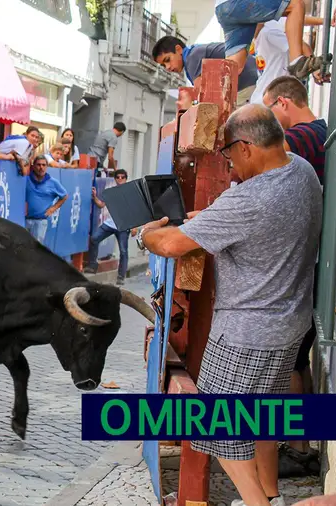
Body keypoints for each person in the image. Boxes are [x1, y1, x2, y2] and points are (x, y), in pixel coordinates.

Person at [138, 104, 322, 506]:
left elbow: (170, 245)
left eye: (228, 154)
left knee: (217, 427)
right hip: (290, 321)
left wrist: (145, 235)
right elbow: (259, 224)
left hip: (246, 330)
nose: (229, 163)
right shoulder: (302, 170)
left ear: (246, 146)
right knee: (261, 420)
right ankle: (269, 496)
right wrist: (212, 218)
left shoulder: (252, 198)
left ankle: (257, 504)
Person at [262, 75, 326, 475]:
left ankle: (299, 449)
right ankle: (302, 444)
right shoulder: (323, 134)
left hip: (308, 263)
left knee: (291, 362)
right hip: (317, 261)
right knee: (298, 360)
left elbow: (269, 161)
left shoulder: (302, 138)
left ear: (284, 103)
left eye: (269, 111)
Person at [215, 0, 325, 81]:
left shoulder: (266, 25)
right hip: (237, 4)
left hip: (222, 8)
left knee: (235, 66)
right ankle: (297, 62)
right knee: (296, 5)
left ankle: (215, 94)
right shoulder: (269, 30)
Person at [152, 36, 260, 106]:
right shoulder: (194, 53)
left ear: (178, 49)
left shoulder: (191, 57)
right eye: (163, 65)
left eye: (167, 60)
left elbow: (202, 96)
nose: (167, 67)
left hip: (246, 85)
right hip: (253, 78)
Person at [251, 18, 330, 106]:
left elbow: (301, 46)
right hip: (264, 97)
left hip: (274, 99)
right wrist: (327, 20)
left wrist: (315, 69)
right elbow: (298, 20)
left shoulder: (268, 33)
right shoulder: (259, 34)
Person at [84, 169, 135, 286]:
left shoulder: (130, 193)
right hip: (110, 223)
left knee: (123, 251)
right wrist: (95, 197)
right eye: (118, 177)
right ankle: (92, 266)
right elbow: (101, 205)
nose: (120, 179)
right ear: (115, 179)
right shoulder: (111, 192)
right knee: (94, 239)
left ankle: (121, 277)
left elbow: (134, 210)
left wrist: (133, 226)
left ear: (126, 179)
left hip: (123, 226)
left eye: (123, 177)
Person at [25, 156, 67, 246]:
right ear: (33, 166)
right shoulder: (26, 179)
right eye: (38, 165)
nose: (41, 167)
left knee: (36, 249)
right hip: (24, 220)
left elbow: (64, 196)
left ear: (47, 166)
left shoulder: (53, 182)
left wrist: (53, 208)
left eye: (44, 165)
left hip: (40, 221)